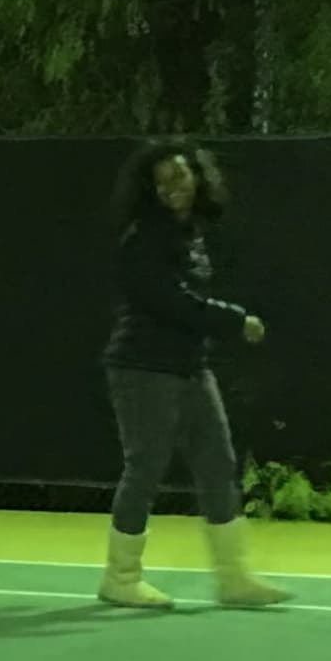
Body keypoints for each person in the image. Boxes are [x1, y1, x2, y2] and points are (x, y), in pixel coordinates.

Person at [100, 142, 289, 613]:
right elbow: (169, 301)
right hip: (142, 367)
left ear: (197, 178)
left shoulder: (189, 234)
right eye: (162, 182)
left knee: (217, 463)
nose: (173, 189)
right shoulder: (143, 238)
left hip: (188, 366)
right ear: (151, 190)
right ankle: (120, 578)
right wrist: (234, 320)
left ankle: (234, 579)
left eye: (179, 178)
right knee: (146, 466)